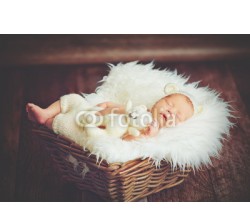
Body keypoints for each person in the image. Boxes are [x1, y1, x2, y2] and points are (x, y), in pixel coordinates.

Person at [26, 86, 196, 142]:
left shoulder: (150, 130)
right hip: (90, 114)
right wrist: (106, 105)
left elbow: (126, 142)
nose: (171, 111)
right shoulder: (139, 108)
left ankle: (48, 123)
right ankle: (45, 113)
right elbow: (122, 108)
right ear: (159, 100)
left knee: (66, 124)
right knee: (74, 99)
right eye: (170, 104)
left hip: (95, 131)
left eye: (178, 115)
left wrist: (145, 136)